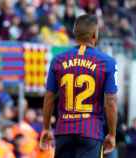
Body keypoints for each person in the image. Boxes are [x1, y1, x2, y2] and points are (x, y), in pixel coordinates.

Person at [40, 14, 118, 158]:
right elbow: (111, 101)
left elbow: (49, 96)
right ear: (95, 35)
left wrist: (46, 128)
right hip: (91, 131)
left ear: (75, 33)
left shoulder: (58, 60)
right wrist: (112, 134)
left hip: (63, 131)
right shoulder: (107, 62)